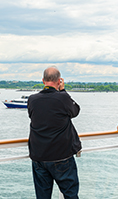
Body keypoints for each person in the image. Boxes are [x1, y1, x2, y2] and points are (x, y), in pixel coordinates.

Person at [27, 66, 82, 199]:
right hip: (61, 156)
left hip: (39, 155)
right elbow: (75, 111)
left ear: (43, 80)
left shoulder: (32, 99)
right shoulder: (62, 98)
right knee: (70, 194)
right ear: (59, 81)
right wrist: (63, 91)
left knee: (43, 196)